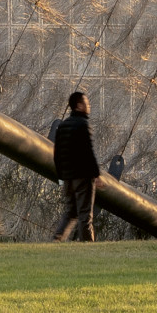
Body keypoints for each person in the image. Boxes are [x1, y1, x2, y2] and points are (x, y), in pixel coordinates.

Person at [49, 91, 101, 242]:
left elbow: (57, 155)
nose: (88, 106)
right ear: (79, 106)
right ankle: (87, 245)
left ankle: (58, 238)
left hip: (67, 178)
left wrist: (60, 178)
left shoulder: (63, 126)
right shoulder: (83, 125)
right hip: (83, 176)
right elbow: (88, 152)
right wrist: (96, 175)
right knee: (85, 214)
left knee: (71, 212)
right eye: (86, 103)